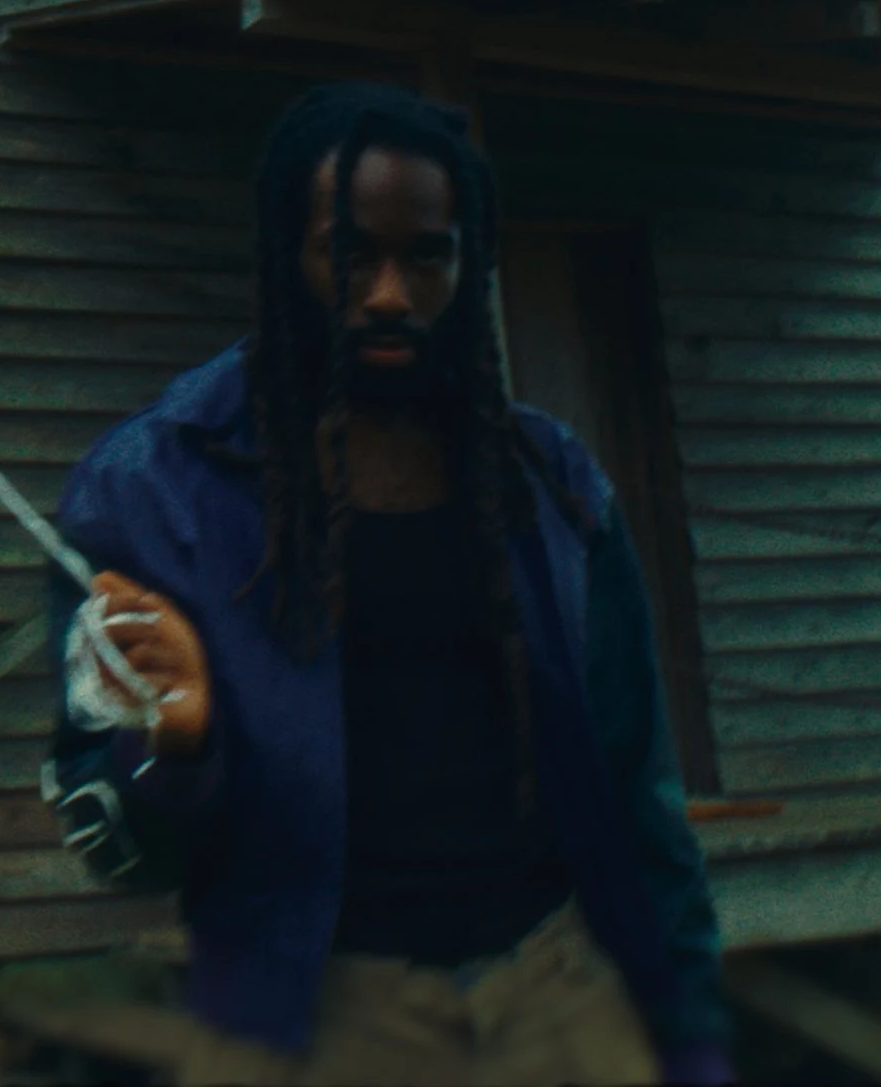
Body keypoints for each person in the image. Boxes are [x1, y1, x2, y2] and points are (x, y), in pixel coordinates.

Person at [40, 83, 732, 1087]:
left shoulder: (550, 485)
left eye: (427, 257)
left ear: (469, 258)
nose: (390, 295)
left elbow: (640, 792)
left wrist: (692, 1035)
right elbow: (115, 844)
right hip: (311, 1018)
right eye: (353, 254)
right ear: (290, 255)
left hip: (558, 994)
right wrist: (176, 741)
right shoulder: (149, 493)